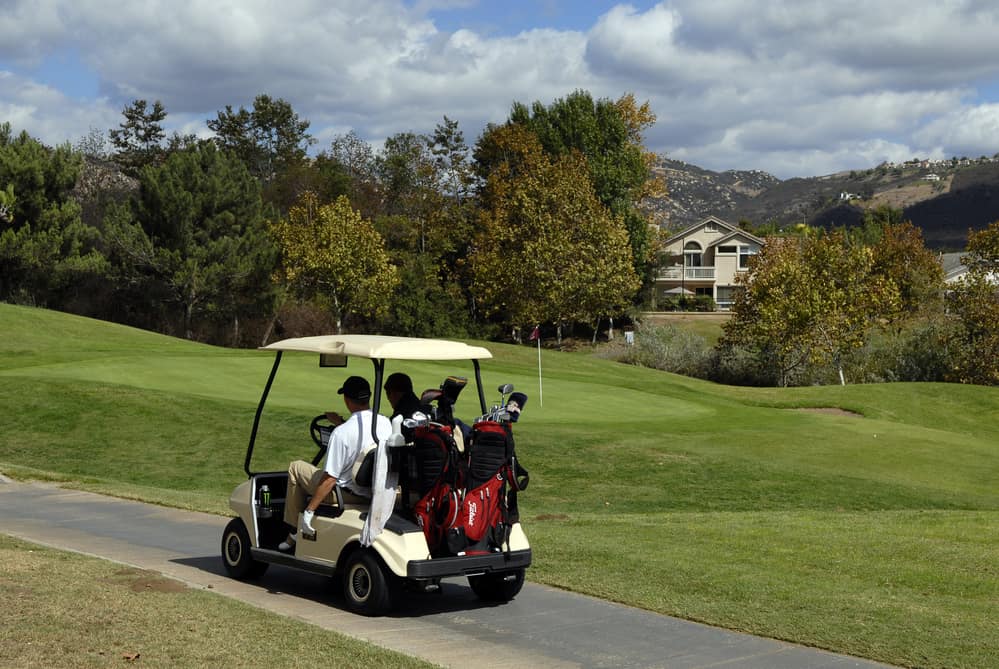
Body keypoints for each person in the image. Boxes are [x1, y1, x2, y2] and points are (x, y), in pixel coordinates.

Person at [279, 375, 391, 552]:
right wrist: (340, 422)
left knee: (296, 467)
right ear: (368, 397)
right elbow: (361, 440)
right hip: (372, 490)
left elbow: (330, 478)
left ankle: (294, 530)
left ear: (347, 400)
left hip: (344, 493)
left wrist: (310, 511)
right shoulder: (385, 423)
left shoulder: (340, 434)